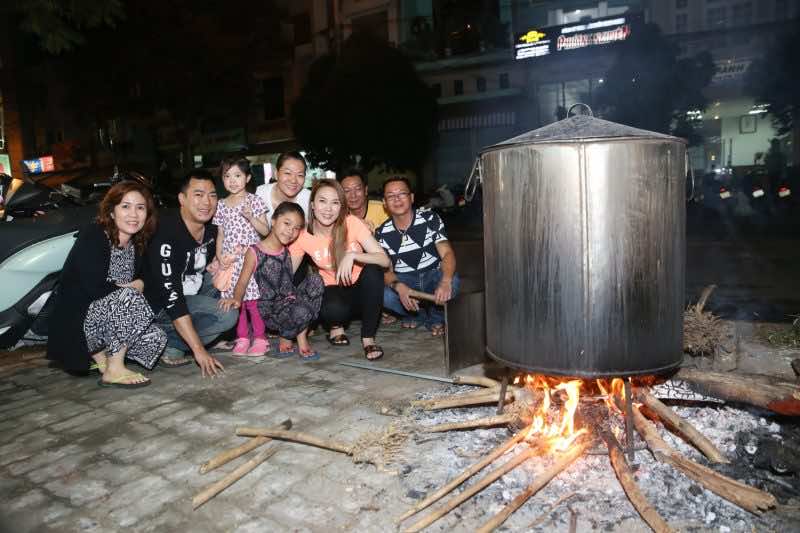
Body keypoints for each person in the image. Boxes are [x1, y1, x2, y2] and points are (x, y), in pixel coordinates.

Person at [47, 181, 167, 388]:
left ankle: (102, 359)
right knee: (129, 297)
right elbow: (92, 287)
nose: (134, 214)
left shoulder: (137, 243)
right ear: (111, 211)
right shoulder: (94, 235)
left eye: (140, 208)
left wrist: (140, 282)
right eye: (125, 206)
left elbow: (151, 280)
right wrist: (132, 289)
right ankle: (114, 368)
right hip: (80, 320)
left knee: (156, 337)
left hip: (108, 317)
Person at [143, 170, 238, 377]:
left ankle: (188, 338)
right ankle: (167, 341)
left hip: (192, 293)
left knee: (229, 274)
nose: (206, 202)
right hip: (162, 306)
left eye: (212, 195)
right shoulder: (165, 233)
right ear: (182, 199)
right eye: (198, 195)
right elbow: (172, 298)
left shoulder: (213, 228)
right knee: (228, 315)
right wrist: (199, 351)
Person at [289, 179, 390, 360]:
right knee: (334, 310)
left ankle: (368, 339)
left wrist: (353, 256)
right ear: (312, 205)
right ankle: (336, 327)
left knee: (374, 271)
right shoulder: (303, 236)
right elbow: (288, 275)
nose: (328, 209)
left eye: (335, 203)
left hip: (362, 292)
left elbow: (384, 260)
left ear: (341, 207)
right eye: (322, 201)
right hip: (333, 291)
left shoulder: (352, 223)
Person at [219, 202, 324, 361]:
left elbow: (288, 283)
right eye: (287, 223)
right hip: (269, 310)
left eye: (296, 228)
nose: (291, 231)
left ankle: (296, 337)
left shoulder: (287, 250)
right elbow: (242, 282)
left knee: (316, 280)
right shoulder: (254, 251)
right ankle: (288, 336)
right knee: (302, 310)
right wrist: (236, 299)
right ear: (273, 221)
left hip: (289, 302)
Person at [377, 176, 460, 336]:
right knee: (384, 295)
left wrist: (445, 281)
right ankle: (417, 314)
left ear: (412, 197)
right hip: (405, 279)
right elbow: (386, 271)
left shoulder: (430, 219)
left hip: (433, 275)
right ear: (385, 203)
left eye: (402, 193)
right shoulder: (381, 233)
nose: (397, 199)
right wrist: (398, 287)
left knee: (453, 281)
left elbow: (447, 253)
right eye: (391, 196)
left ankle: (436, 318)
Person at [211, 157, 269, 357]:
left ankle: (260, 338)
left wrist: (251, 216)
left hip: (249, 260)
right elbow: (220, 234)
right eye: (227, 176)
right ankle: (242, 337)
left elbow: (266, 230)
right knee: (237, 304)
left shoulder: (254, 201)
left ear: (247, 178)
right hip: (230, 263)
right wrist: (219, 257)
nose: (232, 180)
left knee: (251, 302)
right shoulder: (220, 204)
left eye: (237, 175)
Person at [255, 151, 311, 225]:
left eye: (300, 175)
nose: (293, 180)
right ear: (276, 174)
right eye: (287, 173)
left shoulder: (309, 199)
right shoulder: (259, 194)